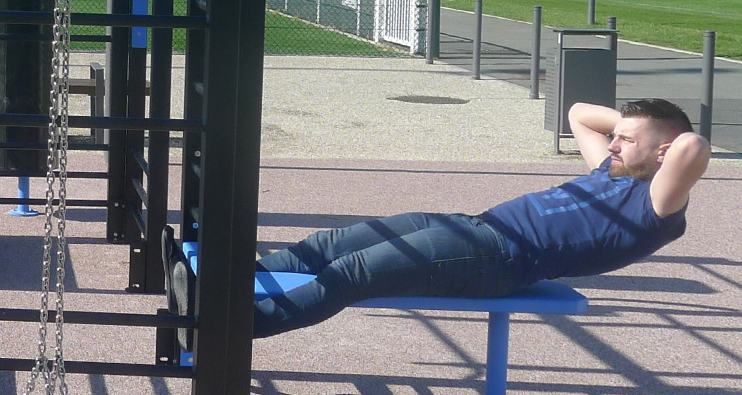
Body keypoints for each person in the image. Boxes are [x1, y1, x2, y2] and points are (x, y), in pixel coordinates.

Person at [253, 98, 711, 338]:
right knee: (330, 245)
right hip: (475, 227)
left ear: (664, 152)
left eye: (626, 141)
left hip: (498, 259)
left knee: (350, 273)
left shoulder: (658, 207)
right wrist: (636, 128)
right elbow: (579, 114)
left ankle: (224, 329)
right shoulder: (610, 169)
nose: (612, 144)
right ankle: (213, 280)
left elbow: (693, 147)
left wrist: (657, 135)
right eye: (617, 137)